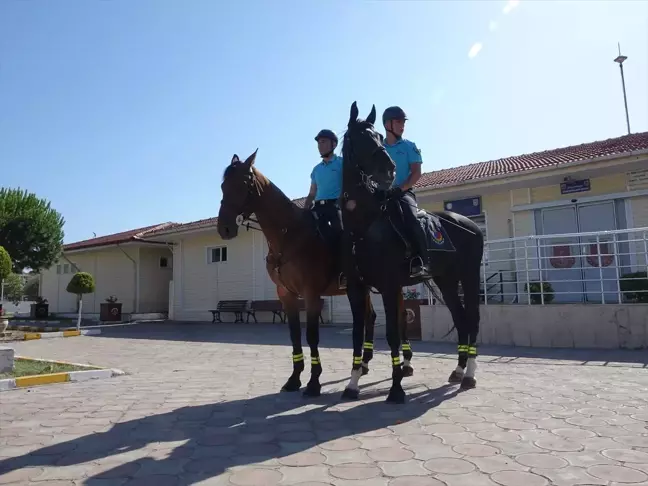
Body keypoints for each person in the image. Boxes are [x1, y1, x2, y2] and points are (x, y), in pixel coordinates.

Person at [382, 106, 431, 277]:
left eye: (403, 122)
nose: (402, 125)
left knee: (411, 217)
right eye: (398, 121)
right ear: (387, 124)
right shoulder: (378, 149)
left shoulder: (410, 146)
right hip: (381, 196)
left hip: (403, 194)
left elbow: (416, 172)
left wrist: (401, 188)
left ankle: (423, 261)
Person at [304, 129, 346, 289]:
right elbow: (312, 193)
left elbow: (347, 185)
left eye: (323, 142)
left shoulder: (342, 163)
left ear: (333, 144)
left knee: (339, 235)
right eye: (318, 143)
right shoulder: (316, 169)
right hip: (318, 207)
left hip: (335, 206)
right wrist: (305, 208)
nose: (320, 146)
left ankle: (343, 272)